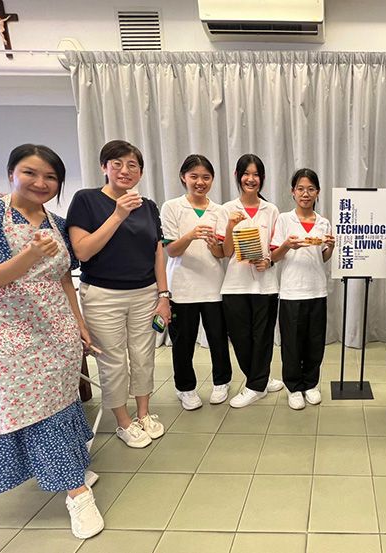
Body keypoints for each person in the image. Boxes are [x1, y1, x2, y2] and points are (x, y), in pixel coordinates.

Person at [0, 144, 103, 539]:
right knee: (21, 407)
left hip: (53, 330)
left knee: (59, 404)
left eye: (51, 177)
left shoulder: (58, 223)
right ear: (11, 174)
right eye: (30, 172)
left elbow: (64, 278)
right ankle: (77, 492)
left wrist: (79, 324)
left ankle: (71, 470)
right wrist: (31, 254)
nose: (41, 182)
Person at [66, 140, 169, 449]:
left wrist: (163, 295)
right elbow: (82, 251)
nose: (125, 170)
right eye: (117, 163)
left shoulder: (148, 206)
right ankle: (123, 422)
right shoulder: (86, 200)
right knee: (112, 362)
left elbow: (158, 252)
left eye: (132, 165)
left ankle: (143, 413)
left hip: (145, 293)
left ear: (141, 172)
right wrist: (118, 214)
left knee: (143, 356)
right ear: (104, 167)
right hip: (103, 295)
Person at [160, 154, 233, 410]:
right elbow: (171, 251)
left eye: (206, 177)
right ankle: (185, 388)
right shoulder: (171, 207)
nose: (200, 182)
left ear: (212, 179)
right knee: (183, 342)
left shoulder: (220, 210)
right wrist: (191, 235)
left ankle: (222, 381)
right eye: (194, 176)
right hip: (182, 287)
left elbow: (222, 254)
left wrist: (214, 245)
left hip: (213, 286)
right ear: (183, 177)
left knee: (218, 339)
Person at [217, 154, 284, 408]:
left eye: (256, 174)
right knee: (241, 338)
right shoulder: (227, 209)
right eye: (246, 174)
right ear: (238, 176)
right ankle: (260, 378)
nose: (251, 179)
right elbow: (225, 252)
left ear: (262, 178)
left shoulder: (271, 210)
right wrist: (230, 226)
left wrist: (269, 261)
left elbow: (276, 249)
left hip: (265, 285)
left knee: (263, 337)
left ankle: (256, 386)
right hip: (235, 284)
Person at [271, 168, 335, 409]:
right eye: (300, 189)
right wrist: (288, 245)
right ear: (293, 192)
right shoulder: (284, 220)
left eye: (310, 189)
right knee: (292, 343)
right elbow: (274, 256)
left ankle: (311, 383)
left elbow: (323, 258)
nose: (305, 194)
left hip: (317, 290)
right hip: (291, 291)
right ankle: (293, 387)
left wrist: (331, 247)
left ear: (317, 192)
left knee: (315, 341)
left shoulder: (323, 222)